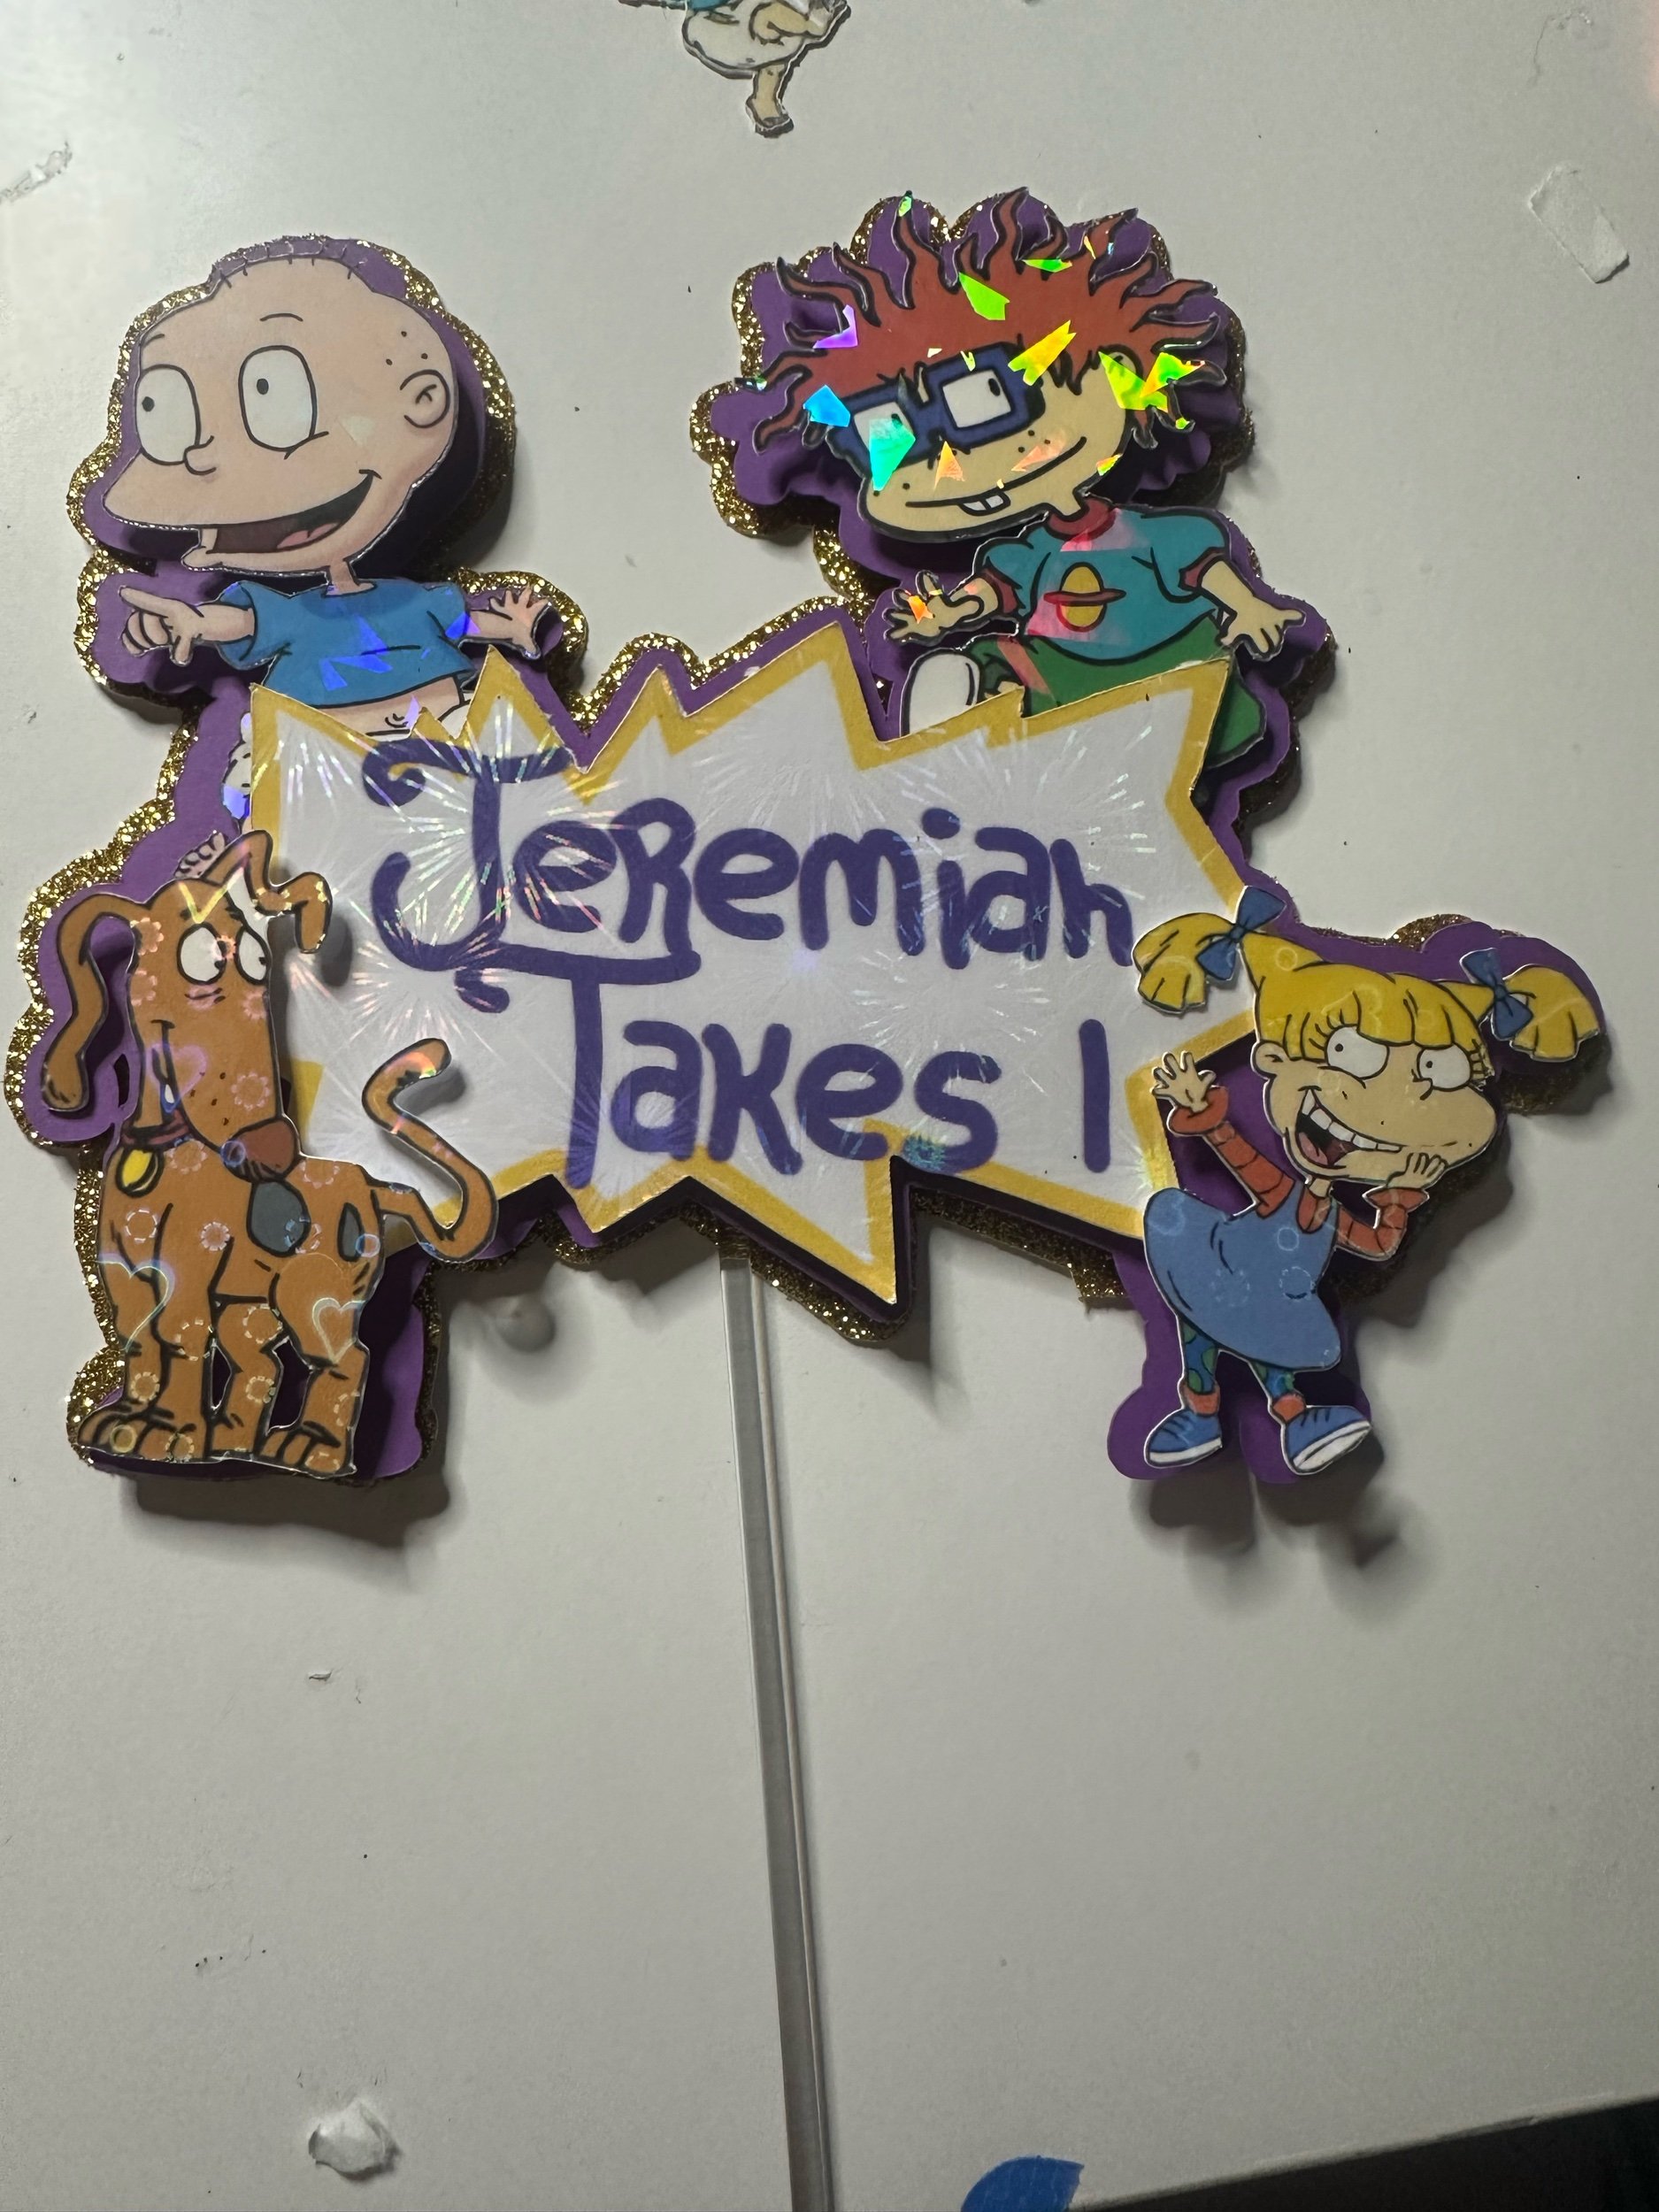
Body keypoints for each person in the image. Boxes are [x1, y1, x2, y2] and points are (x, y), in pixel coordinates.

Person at [721, 192, 1317, 755]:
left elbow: (1203, 566)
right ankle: (951, 746)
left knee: (1203, 697)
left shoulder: (1149, 533)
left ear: (1110, 369)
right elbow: (993, 592)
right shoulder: (1026, 553)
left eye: (989, 398)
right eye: (888, 436)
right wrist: (947, 615)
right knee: (988, 661)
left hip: (1162, 657)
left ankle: (1183, 727)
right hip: (1057, 671)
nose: (955, 466)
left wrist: (1248, 608)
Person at [1133, 893, 1600, 1475]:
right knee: (1203, 1338)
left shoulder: (1329, 1216)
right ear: (1274, 1060)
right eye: (1352, 1055)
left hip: (1274, 1299)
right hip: (1217, 1269)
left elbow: (1378, 1245)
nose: (1389, 1104)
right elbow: (1238, 1157)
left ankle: (1295, 1422)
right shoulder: (1279, 1191)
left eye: (1439, 1072)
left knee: (1267, 1350)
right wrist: (1203, 1111)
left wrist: (1399, 1199)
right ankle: (1204, 1415)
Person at [101, 247, 552, 776]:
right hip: (329, 758)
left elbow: (463, 622)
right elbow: (244, 621)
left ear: (421, 401)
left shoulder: (411, 600)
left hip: (439, 733)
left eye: (272, 392)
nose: (202, 458)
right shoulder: (297, 615)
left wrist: (515, 629)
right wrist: (195, 621)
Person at [620, 0, 849, 135]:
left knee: (774, 56)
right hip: (715, 24)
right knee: (767, 22)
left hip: (743, 8)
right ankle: (816, 25)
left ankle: (763, 101)